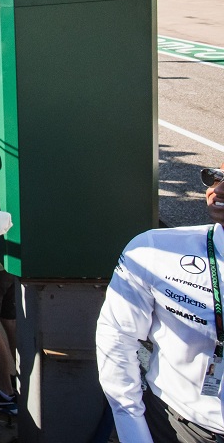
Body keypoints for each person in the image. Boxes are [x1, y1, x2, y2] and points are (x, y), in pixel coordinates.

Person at [96, 170, 224, 441]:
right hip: (179, 427)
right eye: (216, 176)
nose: (219, 189)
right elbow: (116, 341)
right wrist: (134, 432)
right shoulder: (154, 251)